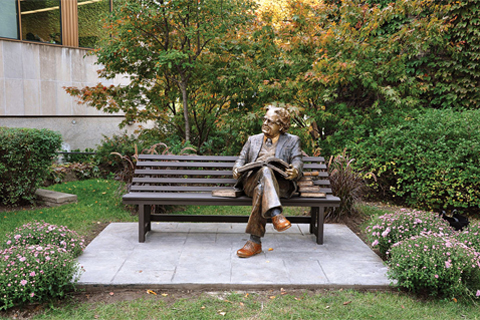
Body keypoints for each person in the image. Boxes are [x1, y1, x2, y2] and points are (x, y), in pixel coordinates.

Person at [233, 106, 303, 258]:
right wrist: (237, 168)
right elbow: (241, 159)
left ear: (281, 126)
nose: (265, 123)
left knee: (262, 186)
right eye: (264, 119)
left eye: (270, 122)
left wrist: (295, 171)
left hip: (279, 185)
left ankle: (254, 242)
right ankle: (276, 214)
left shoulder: (292, 141)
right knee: (264, 170)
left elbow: (297, 160)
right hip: (250, 182)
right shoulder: (252, 140)